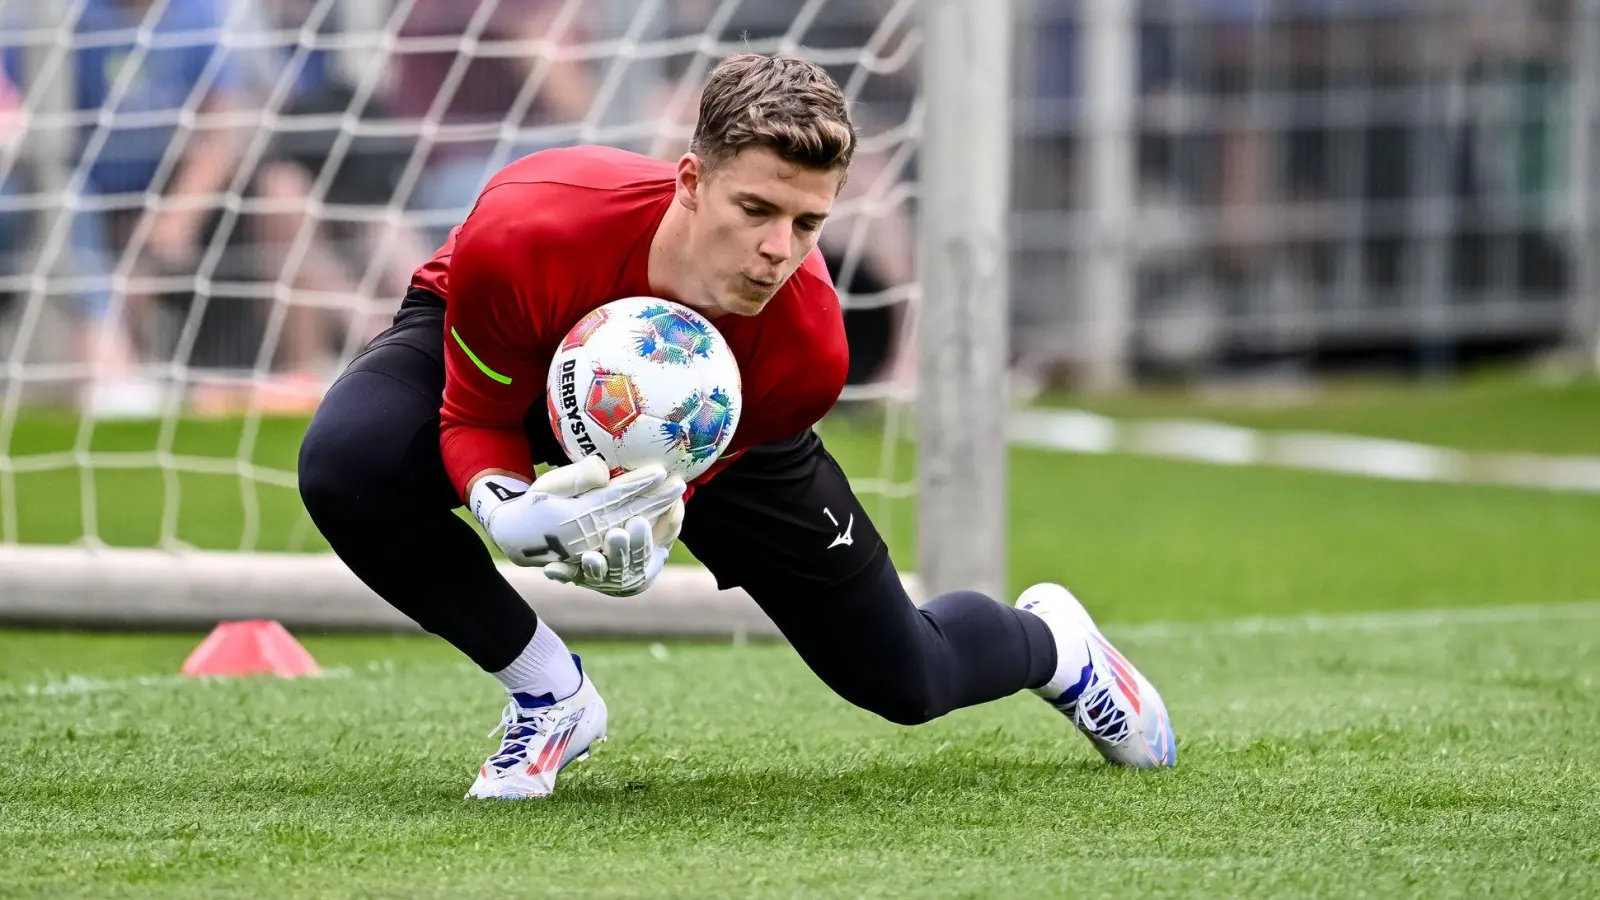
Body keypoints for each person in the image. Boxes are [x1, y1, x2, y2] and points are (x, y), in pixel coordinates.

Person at [297, 53, 1175, 801]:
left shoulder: (807, 351)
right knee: (348, 462)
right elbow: (478, 412)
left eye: (808, 223)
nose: (778, 250)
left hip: (714, 424)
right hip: (518, 342)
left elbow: (680, 482)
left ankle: (1056, 646)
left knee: (906, 680)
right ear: (690, 181)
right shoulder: (530, 226)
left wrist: (644, 519)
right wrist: (499, 505)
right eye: (756, 211)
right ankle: (548, 697)